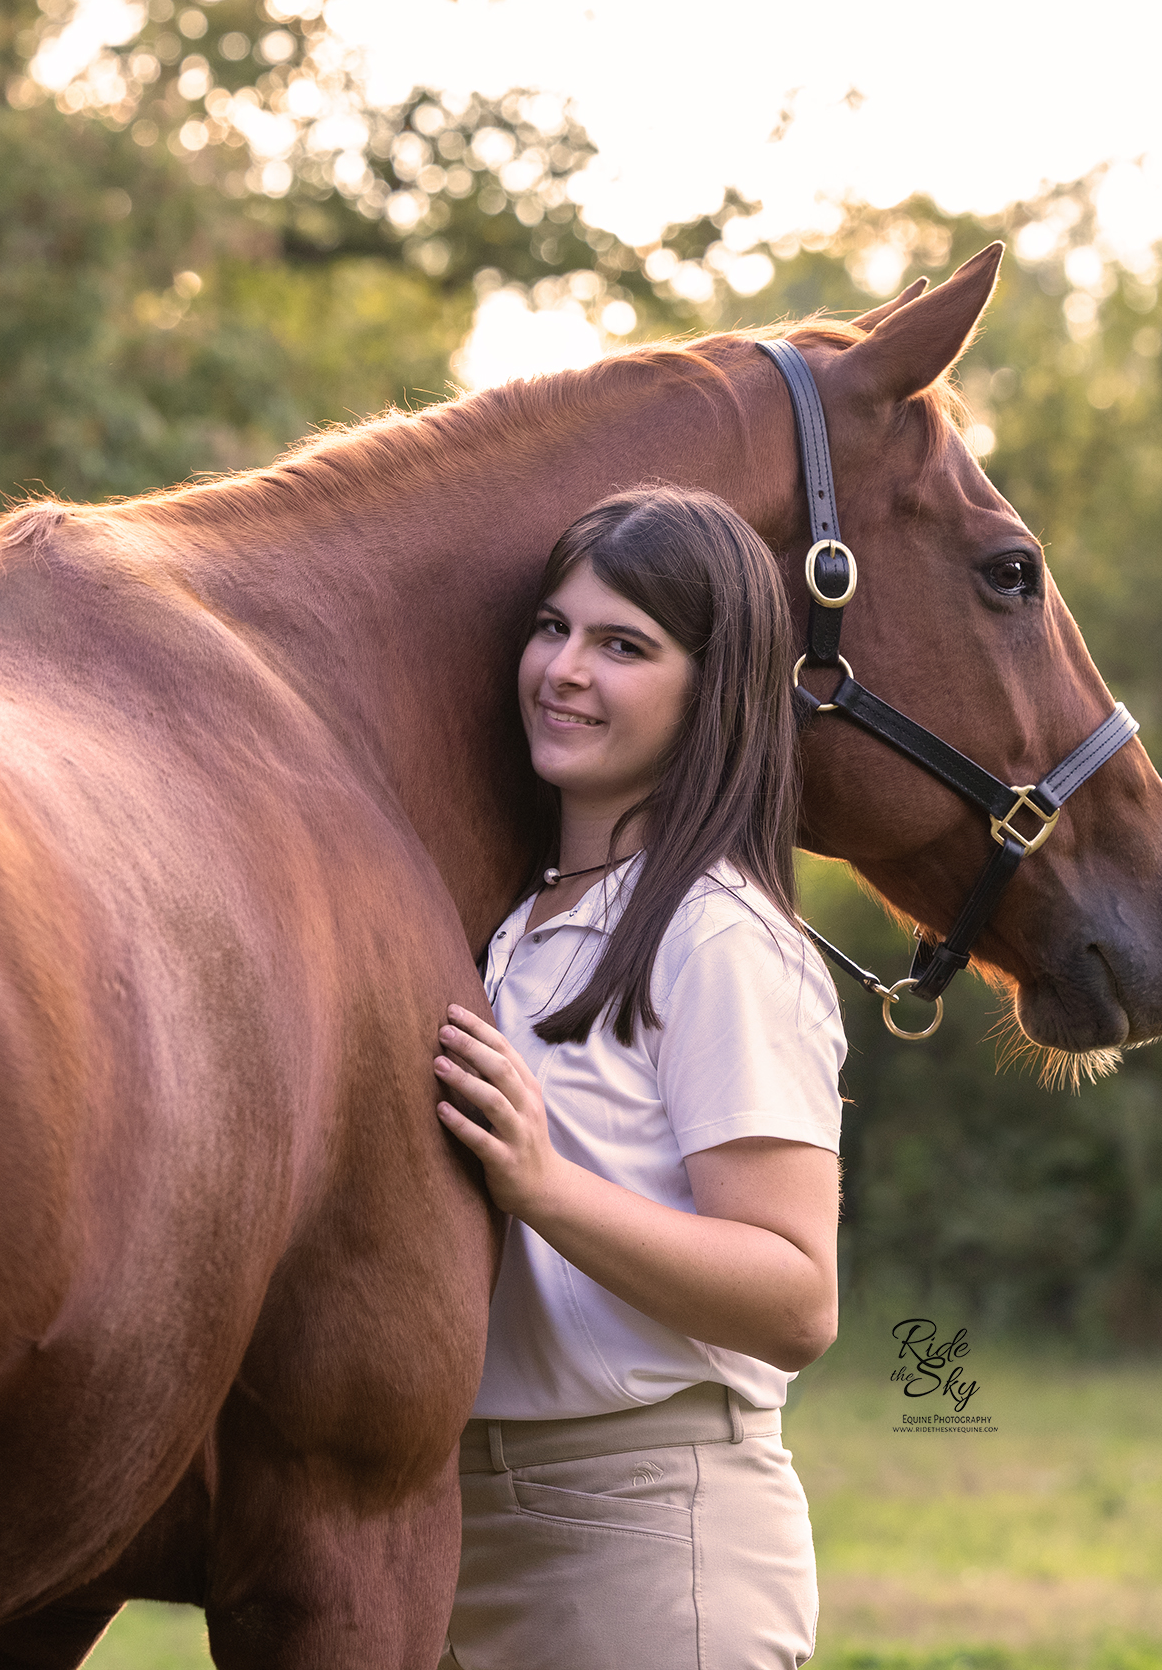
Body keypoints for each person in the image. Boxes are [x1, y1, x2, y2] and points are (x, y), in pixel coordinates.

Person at [434, 487, 845, 1670]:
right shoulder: (514, 924)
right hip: (466, 1513)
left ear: (709, 689)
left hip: (646, 1518)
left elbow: (795, 1293)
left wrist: (544, 1184)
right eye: (552, 626)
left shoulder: (716, 934)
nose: (564, 668)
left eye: (624, 644)